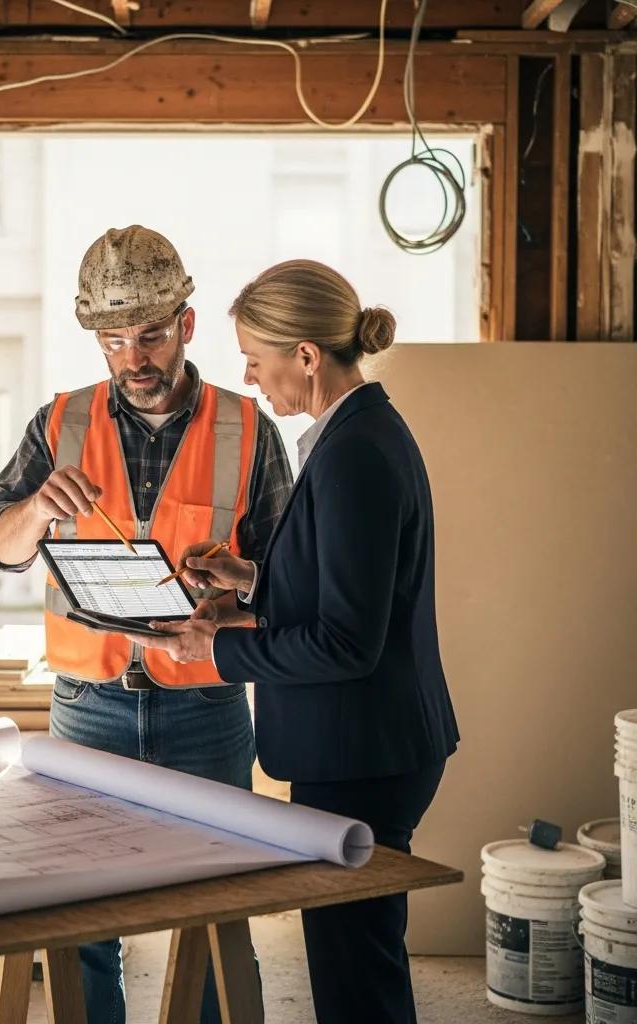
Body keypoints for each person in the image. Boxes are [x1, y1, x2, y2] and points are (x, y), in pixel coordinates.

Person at [127, 259, 460, 1024]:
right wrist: (249, 578)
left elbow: (346, 642)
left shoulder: (354, 455)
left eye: (254, 358)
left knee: (355, 974)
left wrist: (213, 652)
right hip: (367, 746)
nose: (248, 379)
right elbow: (347, 584)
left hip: (362, 753)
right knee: (357, 956)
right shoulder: (356, 433)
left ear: (305, 356)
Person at [0, 226, 293, 1023]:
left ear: (186, 325)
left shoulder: (250, 431)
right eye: (114, 340)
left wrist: (234, 605)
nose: (133, 357)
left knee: (216, 913)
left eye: (150, 335)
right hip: (89, 706)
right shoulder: (60, 424)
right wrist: (35, 509)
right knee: (83, 923)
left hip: (208, 709)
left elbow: (288, 583)